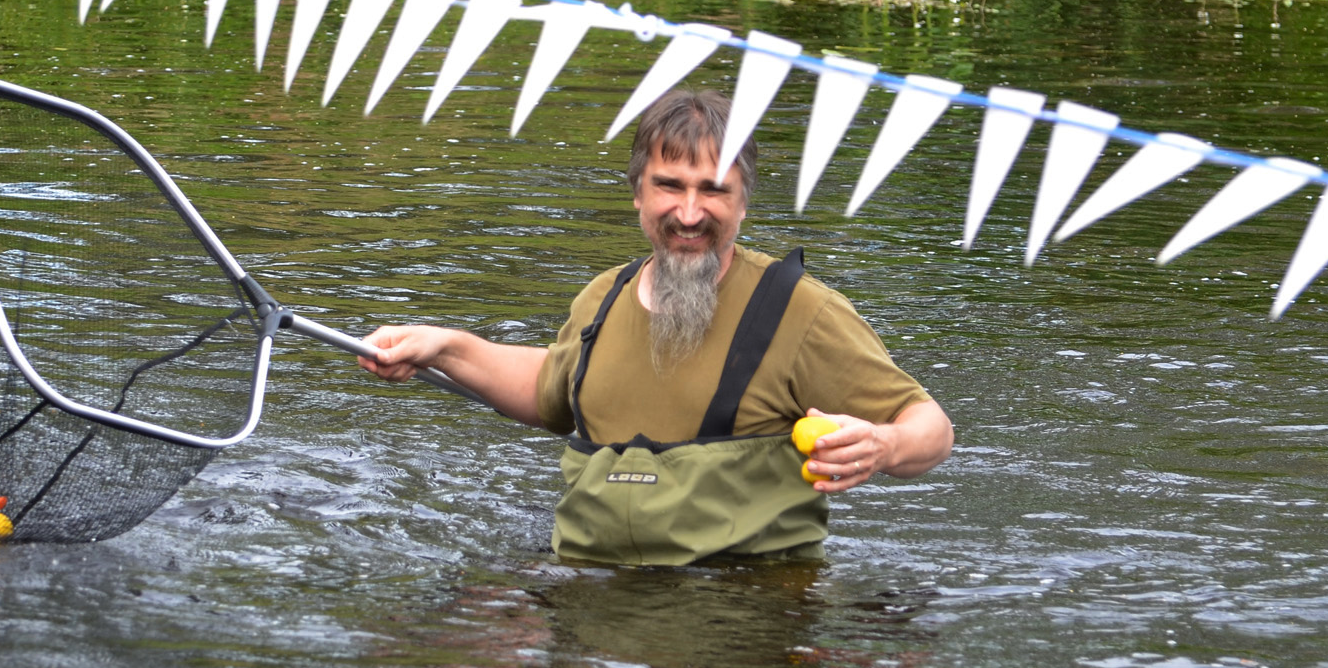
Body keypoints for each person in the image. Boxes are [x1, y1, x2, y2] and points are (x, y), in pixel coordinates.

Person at [359, 88, 953, 566]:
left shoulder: (802, 312)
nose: (689, 213)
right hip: (588, 593)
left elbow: (930, 427)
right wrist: (446, 347)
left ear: (743, 203)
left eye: (713, 191)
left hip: (744, 614)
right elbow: (552, 392)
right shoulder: (603, 296)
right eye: (670, 186)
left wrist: (886, 445)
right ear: (638, 193)